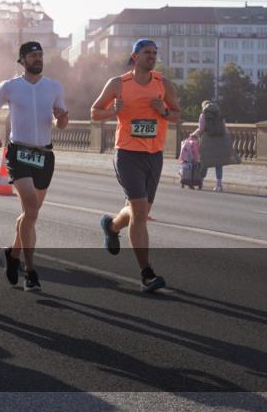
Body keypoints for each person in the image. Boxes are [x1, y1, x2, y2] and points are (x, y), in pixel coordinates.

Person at [91, 39, 181, 293]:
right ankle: (146, 275)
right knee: (140, 213)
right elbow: (94, 112)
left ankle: (111, 226)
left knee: (137, 210)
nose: (152, 56)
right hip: (128, 154)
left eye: (155, 53)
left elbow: (176, 115)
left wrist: (163, 110)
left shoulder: (163, 84)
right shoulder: (118, 84)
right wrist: (112, 112)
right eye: (147, 53)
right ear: (135, 56)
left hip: (154, 155)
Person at [0, 42, 68, 291]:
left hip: (44, 155)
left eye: (41, 54)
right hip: (18, 152)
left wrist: (62, 117)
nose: (38, 59)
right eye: (33, 55)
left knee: (30, 215)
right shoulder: (9, 86)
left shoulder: (54, 87)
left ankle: (12, 254)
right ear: (22, 59)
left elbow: (62, 123)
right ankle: (30, 271)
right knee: (31, 210)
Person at [196, 100, 237, 192]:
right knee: (218, 163)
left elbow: (201, 129)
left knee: (205, 161)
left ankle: (201, 181)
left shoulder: (203, 115)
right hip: (219, 140)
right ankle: (219, 184)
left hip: (207, 140)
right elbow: (223, 127)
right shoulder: (219, 115)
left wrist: (196, 134)